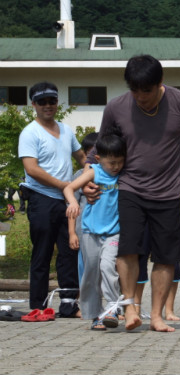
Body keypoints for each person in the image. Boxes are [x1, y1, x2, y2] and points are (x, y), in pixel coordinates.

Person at [85, 54, 180, 332]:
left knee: (166, 256)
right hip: (130, 190)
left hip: (168, 193)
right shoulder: (116, 108)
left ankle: (156, 316)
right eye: (134, 90)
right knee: (128, 250)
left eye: (147, 90)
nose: (140, 97)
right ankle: (130, 308)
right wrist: (85, 179)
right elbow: (100, 149)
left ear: (160, 83)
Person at [18, 81, 86, 318]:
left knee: (70, 251)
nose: (48, 106)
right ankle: (38, 306)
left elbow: (81, 156)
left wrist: (91, 175)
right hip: (42, 199)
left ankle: (69, 305)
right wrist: (64, 186)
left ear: (58, 103)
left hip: (66, 201)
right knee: (42, 252)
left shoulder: (66, 130)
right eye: (42, 102)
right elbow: (32, 169)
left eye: (52, 101)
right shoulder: (30, 132)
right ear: (34, 104)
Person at [64, 129, 126, 330]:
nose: (116, 167)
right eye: (111, 163)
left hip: (113, 232)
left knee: (108, 267)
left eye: (119, 162)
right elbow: (68, 188)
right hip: (90, 232)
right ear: (99, 159)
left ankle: (112, 309)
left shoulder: (124, 174)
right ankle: (94, 315)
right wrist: (73, 202)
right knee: (90, 273)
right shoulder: (94, 172)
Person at [68, 132, 99, 284]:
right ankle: (85, 305)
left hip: (108, 233)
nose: (95, 159)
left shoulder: (112, 176)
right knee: (86, 271)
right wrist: (72, 232)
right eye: (90, 154)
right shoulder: (79, 176)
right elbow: (72, 207)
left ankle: (113, 306)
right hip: (84, 233)